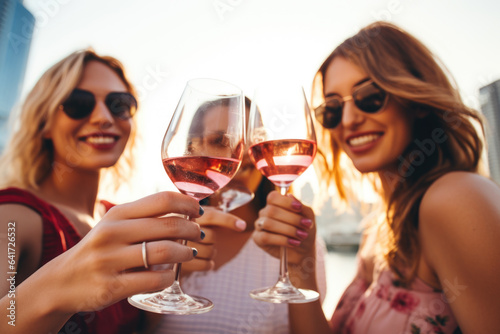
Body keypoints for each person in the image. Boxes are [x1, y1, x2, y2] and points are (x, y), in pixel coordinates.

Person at [252, 21, 500, 333]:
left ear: (415, 100)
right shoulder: (377, 231)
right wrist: (300, 264)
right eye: (331, 108)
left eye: (369, 96)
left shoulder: (456, 198)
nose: (349, 119)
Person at [0, 49, 205, 334]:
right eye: (78, 103)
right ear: (44, 123)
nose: (102, 117)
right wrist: (57, 288)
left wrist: (172, 274)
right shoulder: (13, 215)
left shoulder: (121, 221)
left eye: (118, 104)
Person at [150, 97, 328, 333]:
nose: (240, 154)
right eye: (220, 140)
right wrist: (172, 274)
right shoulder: (163, 239)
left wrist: (299, 271)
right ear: (192, 152)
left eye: (251, 141)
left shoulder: (298, 241)